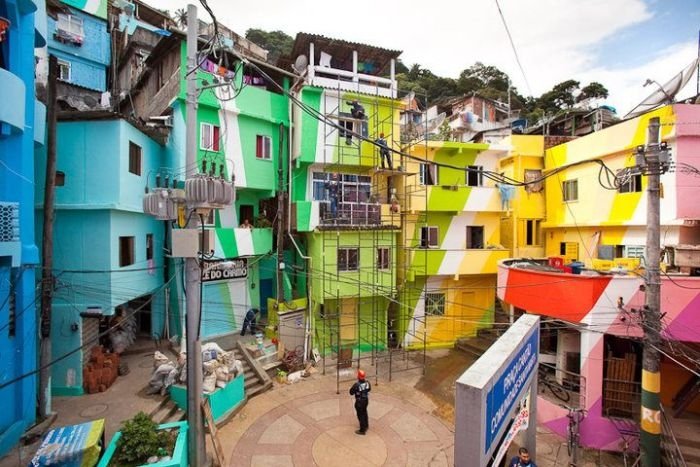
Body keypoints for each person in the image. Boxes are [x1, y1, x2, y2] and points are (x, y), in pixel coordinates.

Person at [349, 369, 371, 435]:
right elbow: (369, 389)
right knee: (364, 412)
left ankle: (362, 430)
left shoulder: (356, 385)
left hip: (359, 402)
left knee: (360, 415)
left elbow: (351, 392)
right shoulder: (367, 383)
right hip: (366, 400)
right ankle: (366, 425)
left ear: (358, 376)